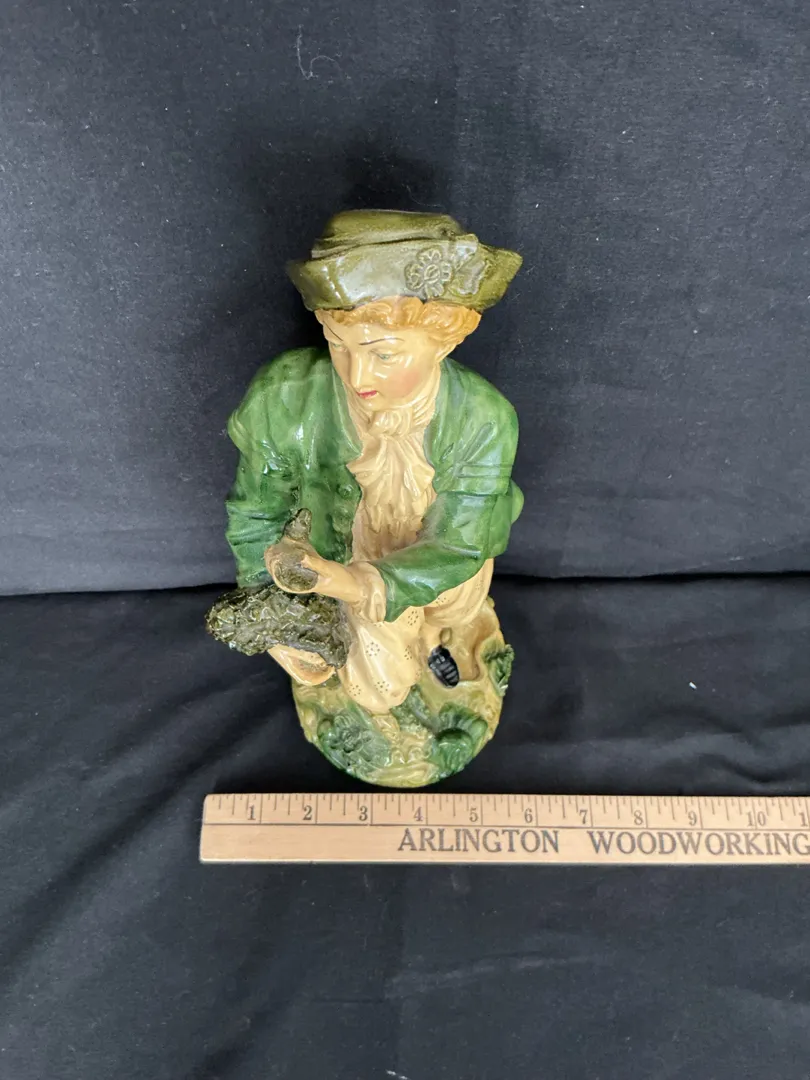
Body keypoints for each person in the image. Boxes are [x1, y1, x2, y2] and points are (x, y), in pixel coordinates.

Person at [225, 209, 523, 715]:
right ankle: (397, 650)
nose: (356, 375)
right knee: (378, 693)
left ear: (444, 341)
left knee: (453, 609)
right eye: (337, 346)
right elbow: (256, 511)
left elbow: (461, 542)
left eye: (383, 354)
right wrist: (273, 602)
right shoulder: (286, 396)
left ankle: (436, 636)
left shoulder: (482, 416)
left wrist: (359, 585)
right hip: (342, 552)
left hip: (437, 558)